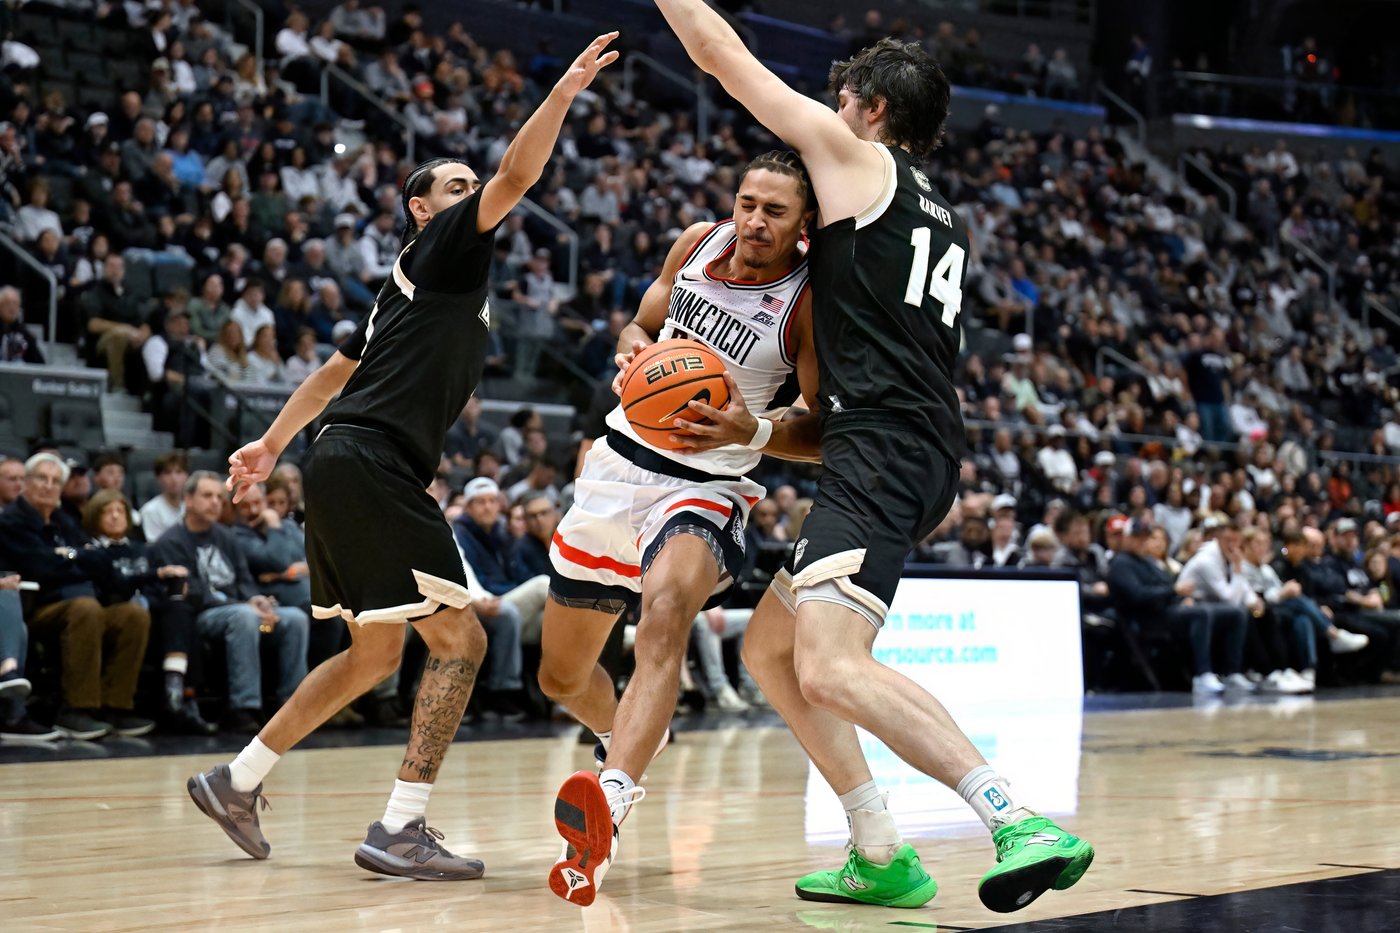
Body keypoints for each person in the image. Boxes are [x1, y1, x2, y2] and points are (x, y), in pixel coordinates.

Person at [623, 10, 1093, 913]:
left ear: (870, 109)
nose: (826, 113)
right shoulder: (942, 216)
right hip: (890, 445)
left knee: (830, 664)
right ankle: (879, 849)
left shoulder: (858, 164)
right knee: (771, 647)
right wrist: (753, 434)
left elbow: (723, 58)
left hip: (881, 450)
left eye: (840, 99)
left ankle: (1015, 817)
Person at [184, 35, 619, 881]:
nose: (472, 195)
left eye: (469, 185)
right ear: (422, 209)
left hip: (342, 456)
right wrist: (563, 88)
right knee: (461, 643)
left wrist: (272, 445)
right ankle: (401, 827)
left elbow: (333, 371)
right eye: (454, 187)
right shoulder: (449, 245)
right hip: (372, 461)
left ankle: (235, 780)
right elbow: (517, 179)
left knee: (377, 654)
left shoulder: (406, 287)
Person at [540, 150, 822, 905]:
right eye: (748, 202)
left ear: (805, 225)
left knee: (665, 613)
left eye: (775, 211)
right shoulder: (693, 243)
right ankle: (641, 729)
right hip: (615, 467)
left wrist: (750, 425)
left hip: (707, 485)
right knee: (560, 675)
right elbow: (640, 321)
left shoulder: (805, 303)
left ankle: (612, 803)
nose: (754, 220)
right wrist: (632, 347)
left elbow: (822, 430)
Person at [0, 453, 154, 739]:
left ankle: (115, 707)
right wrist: (77, 560)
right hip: (35, 610)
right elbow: (40, 567)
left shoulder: (65, 520)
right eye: (41, 479)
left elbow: (101, 560)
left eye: (55, 481)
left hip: (82, 603)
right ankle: (76, 710)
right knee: (85, 609)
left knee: (133, 614)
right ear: (26, 484)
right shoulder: (12, 521)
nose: (48, 486)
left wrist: (69, 556)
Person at [152, 472, 310, 734]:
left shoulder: (226, 536)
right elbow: (193, 594)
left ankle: (293, 706)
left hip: (239, 609)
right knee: (243, 617)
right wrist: (246, 607)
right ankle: (242, 708)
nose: (215, 502)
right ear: (188, 500)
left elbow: (244, 579)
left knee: (295, 618)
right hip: (201, 616)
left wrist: (257, 600)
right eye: (207, 496)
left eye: (219, 497)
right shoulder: (171, 541)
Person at [79, 489, 213, 733]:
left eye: (120, 511)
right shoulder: (92, 551)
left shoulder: (142, 549)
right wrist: (157, 574)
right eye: (107, 512)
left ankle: (179, 689)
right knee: (162, 616)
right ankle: (181, 694)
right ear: (94, 517)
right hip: (114, 611)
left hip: (150, 610)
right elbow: (114, 584)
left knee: (181, 610)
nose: (115, 516)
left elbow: (153, 586)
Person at [139, 451, 191, 542]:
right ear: (159, 478)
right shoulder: (150, 511)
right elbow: (155, 547)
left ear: (186, 476)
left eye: (179, 472)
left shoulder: (191, 507)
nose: (174, 478)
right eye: (167, 473)